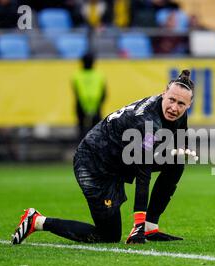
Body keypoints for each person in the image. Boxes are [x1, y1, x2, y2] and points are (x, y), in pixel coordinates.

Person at [11, 70, 196, 245]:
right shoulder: (146, 121)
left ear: (189, 104)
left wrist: (183, 149)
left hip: (120, 159)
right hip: (93, 163)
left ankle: (150, 228)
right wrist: (136, 225)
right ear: (164, 93)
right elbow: (143, 173)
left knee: (176, 161)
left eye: (181, 104)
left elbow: (180, 137)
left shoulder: (176, 112)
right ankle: (37, 221)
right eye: (171, 100)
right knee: (108, 235)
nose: (174, 108)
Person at [73, 52, 107, 142]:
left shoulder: (77, 75)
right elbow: (104, 93)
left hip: (81, 106)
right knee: (97, 132)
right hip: (97, 106)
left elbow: (76, 92)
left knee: (82, 132)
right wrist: (98, 104)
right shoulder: (99, 75)